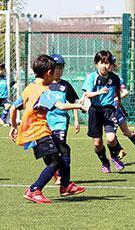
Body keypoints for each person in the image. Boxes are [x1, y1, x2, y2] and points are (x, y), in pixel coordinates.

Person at [9, 54, 86, 204]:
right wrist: (80, 105)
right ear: (49, 73)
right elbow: (61, 106)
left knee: (61, 154)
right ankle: (34, 190)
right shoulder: (44, 91)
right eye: (54, 71)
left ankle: (65, 185)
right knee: (55, 162)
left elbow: (13, 108)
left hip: (35, 131)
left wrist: (13, 126)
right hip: (39, 131)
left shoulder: (29, 88)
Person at [82, 50, 125, 173]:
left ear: (110, 64)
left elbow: (117, 91)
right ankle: (104, 162)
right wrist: (99, 92)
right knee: (97, 143)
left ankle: (114, 158)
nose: (104, 66)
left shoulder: (115, 78)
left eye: (107, 63)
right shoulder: (92, 77)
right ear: (96, 63)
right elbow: (88, 94)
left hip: (109, 110)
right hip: (95, 111)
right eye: (101, 63)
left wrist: (119, 101)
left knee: (111, 138)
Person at [44, 53, 81, 185]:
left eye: (61, 68)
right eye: (56, 68)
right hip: (45, 124)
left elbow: (73, 102)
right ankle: (55, 171)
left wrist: (76, 120)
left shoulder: (65, 85)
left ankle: (62, 176)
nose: (58, 71)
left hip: (60, 123)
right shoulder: (44, 85)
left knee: (60, 148)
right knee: (47, 152)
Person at [109, 56, 135, 160]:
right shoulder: (98, 77)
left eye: (110, 64)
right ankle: (120, 150)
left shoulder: (117, 78)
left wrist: (116, 99)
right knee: (111, 134)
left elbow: (125, 92)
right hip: (107, 111)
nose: (108, 66)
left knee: (125, 131)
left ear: (113, 66)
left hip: (116, 110)